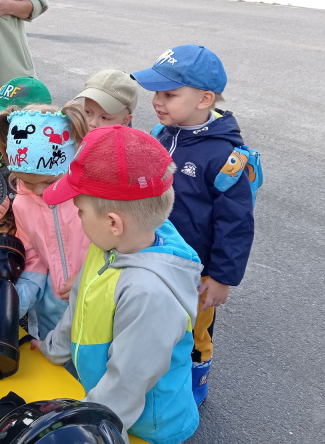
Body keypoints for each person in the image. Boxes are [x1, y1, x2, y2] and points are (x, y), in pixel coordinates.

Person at [35, 125, 203, 444]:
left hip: (148, 426)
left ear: (113, 223)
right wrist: (53, 348)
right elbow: (79, 302)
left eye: (80, 210)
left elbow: (127, 383)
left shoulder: (150, 294)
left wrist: (91, 431)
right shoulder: (110, 245)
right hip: (104, 400)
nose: (77, 216)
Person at [130, 45, 255, 406]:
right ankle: (153, 375)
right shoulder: (162, 133)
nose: (157, 101)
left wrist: (221, 277)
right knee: (156, 321)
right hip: (154, 253)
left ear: (204, 99)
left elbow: (236, 224)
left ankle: (193, 386)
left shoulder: (226, 157)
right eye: (156, 92)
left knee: (195, 331)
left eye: (170, 94)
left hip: (197, 270)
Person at [0, 104, 89, 339]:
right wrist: (18, 299)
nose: (40, 192)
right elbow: (33, 257)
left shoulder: (90, 200)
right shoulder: (23, 203)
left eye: (47, 182)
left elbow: (117, 251)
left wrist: (88, 278)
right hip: (51, 320)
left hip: (96, 312)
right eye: (27, 182)